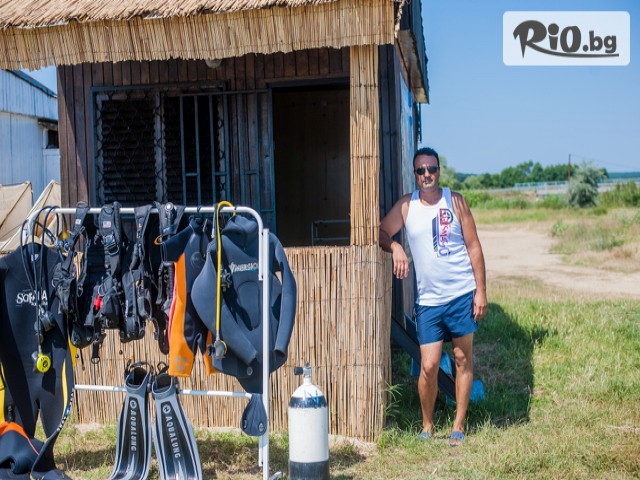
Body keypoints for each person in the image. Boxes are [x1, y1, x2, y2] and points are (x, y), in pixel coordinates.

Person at [379, 146, 487, 446]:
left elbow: (474, 246)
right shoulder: (407, 206)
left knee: (462, 358)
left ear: (439, 171)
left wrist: (480, 291)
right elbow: (381, 232)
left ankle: (458, 426)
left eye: (432, 169)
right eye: (421, 170)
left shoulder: (456, 201)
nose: (427, 174)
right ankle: (427, 425)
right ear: (414, 174)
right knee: (428, 366)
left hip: (461, 293)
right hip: (428, 301)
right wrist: (396, 247)